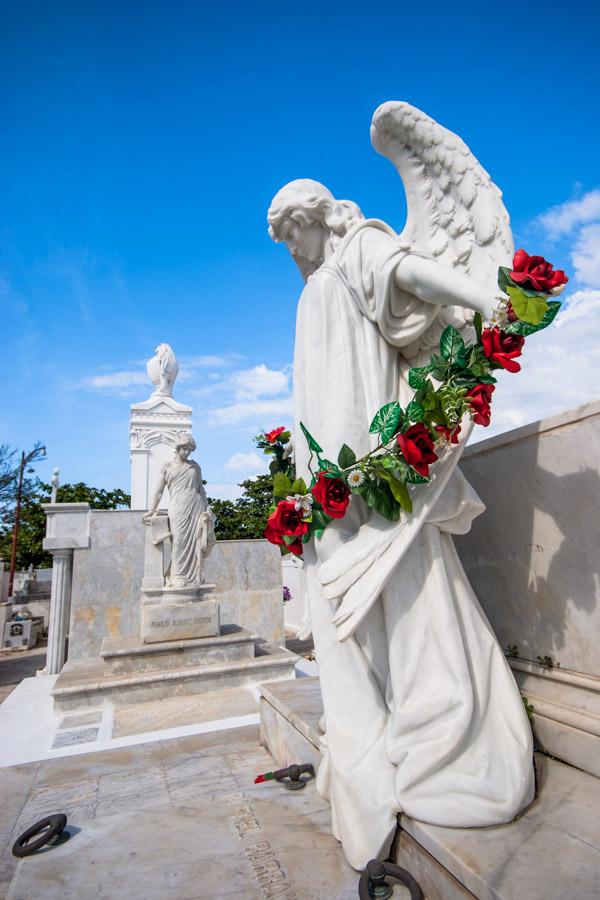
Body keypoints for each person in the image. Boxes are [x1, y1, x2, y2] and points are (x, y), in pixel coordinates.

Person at [268, 179, 535, 869]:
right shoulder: (318, 283)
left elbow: (410, 274)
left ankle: (437, 723)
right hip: (328, 476)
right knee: (349, 610)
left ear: (312, 219)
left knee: (405, 588)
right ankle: (375, 726)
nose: (288, 251)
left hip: (370, 470)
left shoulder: (358, 250)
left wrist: (489, 301)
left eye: (289, 236)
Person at [143, 432, 215, 586]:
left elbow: (201, 490)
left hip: (196, 506)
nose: (187, 452)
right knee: (179, 541)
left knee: (196, 542)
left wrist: (207, 508)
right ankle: (177, 575)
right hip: (178, 507)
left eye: (190, 449)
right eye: (185, 449)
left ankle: (194, 577)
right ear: (178, 448)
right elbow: (159, 491)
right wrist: (151, 509)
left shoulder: (195, 467)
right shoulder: (167, 467)